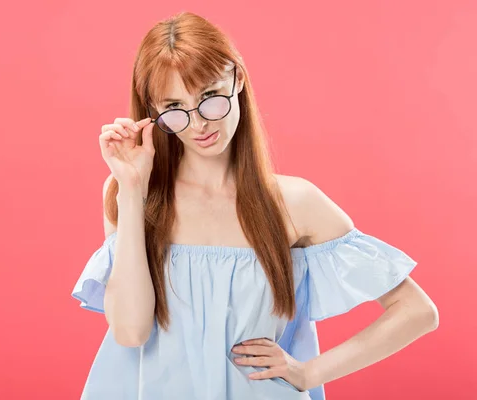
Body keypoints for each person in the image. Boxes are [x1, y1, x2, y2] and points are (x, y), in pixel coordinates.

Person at [71, 11, 439, 400]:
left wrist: (309, 372)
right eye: (175, 107)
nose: (198, 124)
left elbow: (416, 310)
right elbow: (130, 331)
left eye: (210, 97)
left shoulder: (294, 203)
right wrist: (131, 189)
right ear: (153, 111)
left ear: (238, 79)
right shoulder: (129, 192)